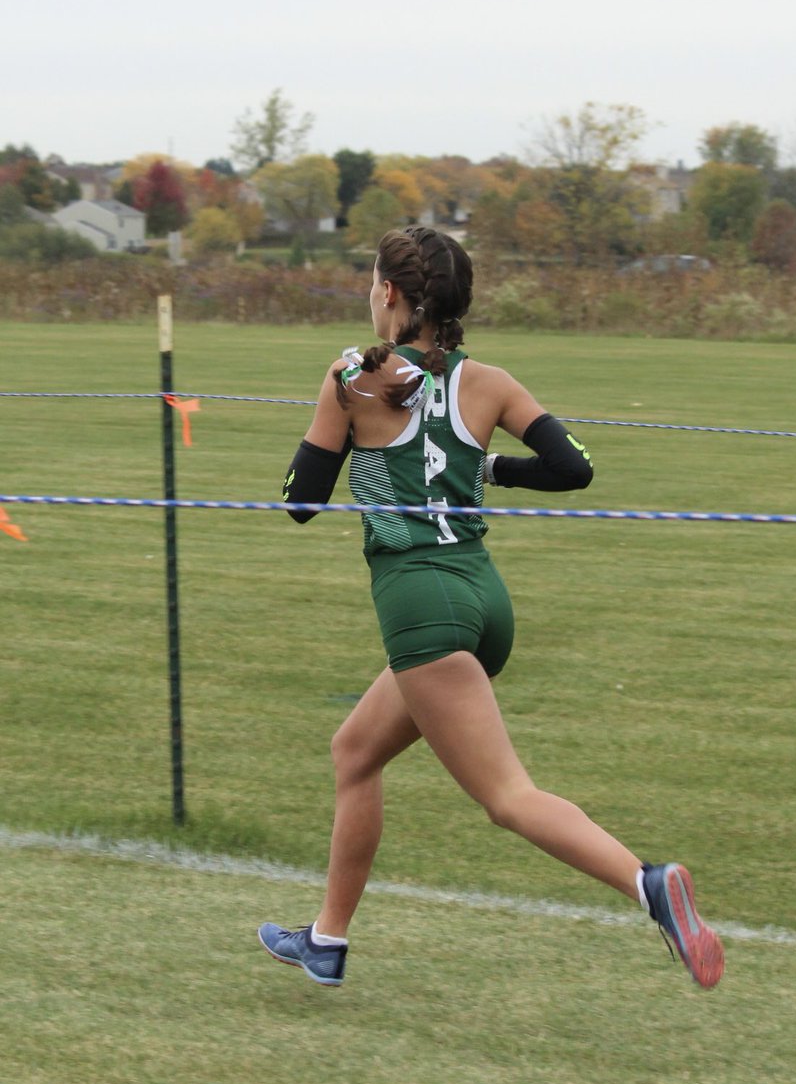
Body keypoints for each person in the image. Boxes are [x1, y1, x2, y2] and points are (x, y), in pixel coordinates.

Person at [258, 226, 724, 990]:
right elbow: (573, 470)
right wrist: (487, 466)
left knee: (508, 797)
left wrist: (339, 434)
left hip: (422, 603)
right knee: (355, 752)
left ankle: (649, 883)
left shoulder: (351, 374)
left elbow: (300, 503)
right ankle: (327, 941)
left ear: (391, 295)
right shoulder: (491, 380)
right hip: (483, 599)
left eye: (372, 282)